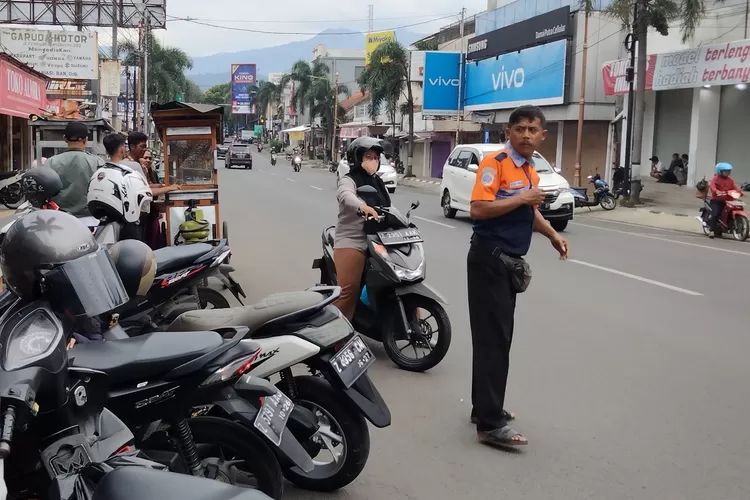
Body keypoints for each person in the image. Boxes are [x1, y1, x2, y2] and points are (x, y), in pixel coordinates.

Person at [467, 105, 568, 448]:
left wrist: (552, 234)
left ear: (543, 135)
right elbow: (478, 208)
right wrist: (523, 198)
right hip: (488, 259)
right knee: (494, 340)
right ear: (508, 132)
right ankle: (490, 424)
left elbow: (531, 212)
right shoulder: (494, 165)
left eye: (533, 129)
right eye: (520, 128)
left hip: (505, 262)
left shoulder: (529, 171)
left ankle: (484, 408)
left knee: (494, 338)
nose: (526, 134)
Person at [332, 136, 390, 320]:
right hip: (353, 239)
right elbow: (345, 195)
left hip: (379, 239)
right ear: (357, 159)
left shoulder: (378, 182)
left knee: (401, 280)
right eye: (369, 156)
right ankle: (335, 334)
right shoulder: (349, 180)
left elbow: (388, 207)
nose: (373, 161)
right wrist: (361, 206)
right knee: (348, 291)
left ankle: (413, 325)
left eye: (375, 157)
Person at [46, 121, 105, 215]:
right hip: (89, 217)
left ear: (65, 139)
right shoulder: (97, 162)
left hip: (59, 217)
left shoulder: (51, 162)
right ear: (85, 139)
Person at [707, 162, 743, 238]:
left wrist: (740, 192)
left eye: (729, 171)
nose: (728, 172)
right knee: (716, 214)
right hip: (717, 200)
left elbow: (735, 187)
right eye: (726, 171)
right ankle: (712, 230)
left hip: (729, 200)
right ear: (720, 171)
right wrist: (716, 191)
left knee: (737, 208)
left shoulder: (730, 180)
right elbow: (712, 186)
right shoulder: (715, 178)